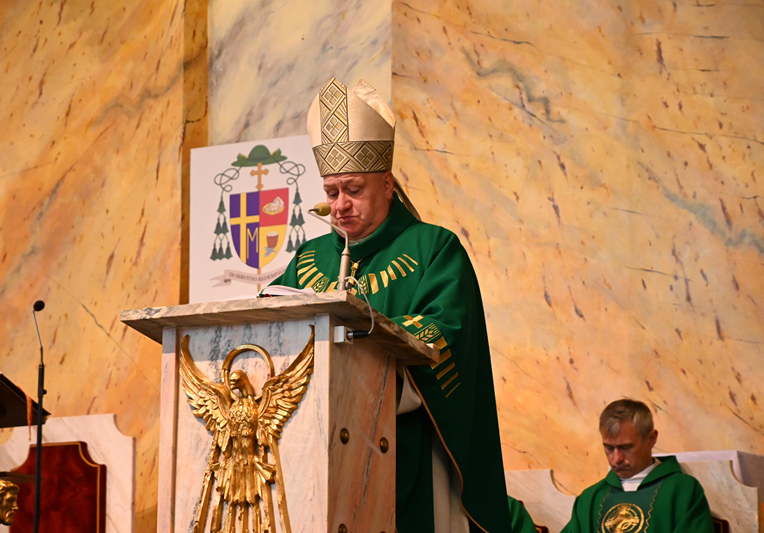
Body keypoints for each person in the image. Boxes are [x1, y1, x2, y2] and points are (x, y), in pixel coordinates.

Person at [270, 78, 511, 532]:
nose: (340, 205)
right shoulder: (308, 259)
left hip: (406, 447)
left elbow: (445, 335)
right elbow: (270, 325)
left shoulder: (433, 247)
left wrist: (361, 356)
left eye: (354, 189)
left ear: (387, 184)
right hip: (313, 455)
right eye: (332, 192)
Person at [561, 399, 714, 533]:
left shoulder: (682, 490)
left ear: (651, 439)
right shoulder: (589, 498)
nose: (617, 459)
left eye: (626, 447)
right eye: (609, 448)